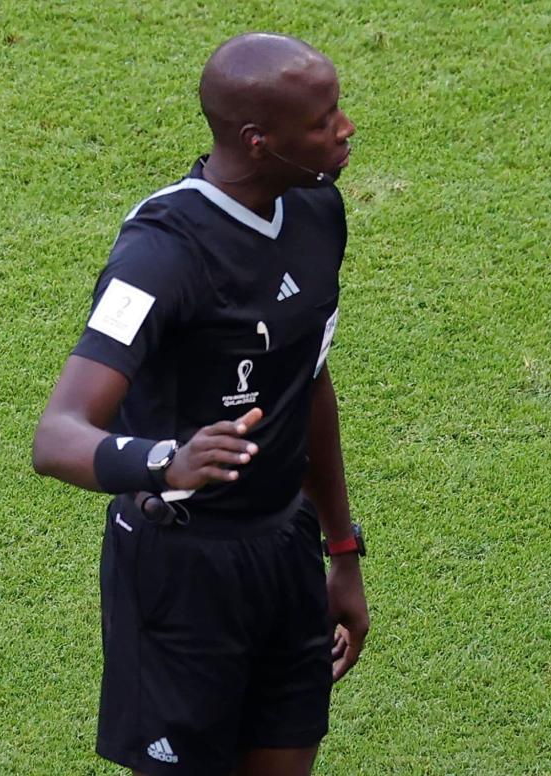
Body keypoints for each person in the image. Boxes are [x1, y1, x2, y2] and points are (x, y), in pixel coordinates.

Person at [32, 33, 368, 776]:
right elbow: (56, 435)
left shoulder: (317, 210)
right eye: (321, 121)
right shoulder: (160, 252)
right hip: (179, 570)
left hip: (283, 550)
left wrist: (341, 552)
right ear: (259, 139)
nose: (345, 128)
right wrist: (167, 460)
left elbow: (309, 383)